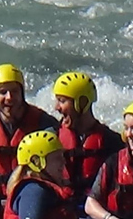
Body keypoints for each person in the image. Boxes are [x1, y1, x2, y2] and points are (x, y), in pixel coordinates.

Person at [0, 64, 59, 195]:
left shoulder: (44, 123)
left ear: (22, 93)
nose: (9, 97)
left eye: (15, 91)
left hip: (32, 195)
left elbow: (57, 166)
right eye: (2, 92)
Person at [2, 131, 82, 219]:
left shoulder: (47, 189)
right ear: (36, 162)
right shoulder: (33, 189)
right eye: (57, 158)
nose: (63, 162)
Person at [52, 71, 123, 205]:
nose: (57, 108)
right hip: (61, 210)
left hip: (95, 213)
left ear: (82, 103)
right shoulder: (51, 137)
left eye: (62, 101)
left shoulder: (112, 142)